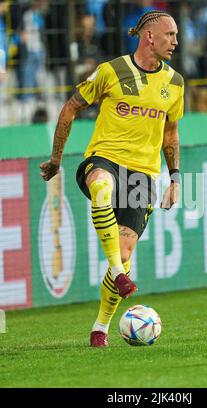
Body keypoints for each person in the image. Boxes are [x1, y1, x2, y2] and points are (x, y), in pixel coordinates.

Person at [40, 10, 184, 347]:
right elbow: (70, 108)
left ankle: (100, 328)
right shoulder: (111, 71)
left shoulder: (175, 83)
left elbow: (171, 134)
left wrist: (175, 178)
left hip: (143, 175)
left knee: (125, 248)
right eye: (170, 34)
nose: (176, 41)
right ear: (149, 36)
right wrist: (57, 159)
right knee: (101, 186)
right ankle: (119, 274)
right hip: (104, 158)